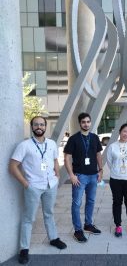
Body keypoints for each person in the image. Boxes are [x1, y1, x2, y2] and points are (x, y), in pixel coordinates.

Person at [9, 116, 67, 265]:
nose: (39, 127)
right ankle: (24, 248)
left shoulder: (52, 144)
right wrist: (25, 183)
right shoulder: (25, 145)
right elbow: (12, 166)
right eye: (36, 125)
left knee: (49, 213)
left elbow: (55, 160)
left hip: (50, 185)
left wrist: (57, 174)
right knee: (29, 218)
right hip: (33, 186)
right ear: (32, 127)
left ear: (45, 127)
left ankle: (53, 238)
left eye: (42, 124)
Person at [64, 112, 103, 243]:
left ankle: (88, 224)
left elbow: (98, 155)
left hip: (93, 175)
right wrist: (71, 175)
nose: (86, 124)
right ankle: (78, 230)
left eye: (88, 121)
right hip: (79, 176)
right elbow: (67, 157)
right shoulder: (73, 139)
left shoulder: (95, 137)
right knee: (77, 203)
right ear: (79, 123)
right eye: (83, 122)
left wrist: (101, 170)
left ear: (90, 123)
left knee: (91, 201)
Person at [107, 124, 127, 237]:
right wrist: (117, 170)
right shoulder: (112, 146)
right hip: (116, 179)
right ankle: (118, 225)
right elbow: (110, 162)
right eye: (125, 131)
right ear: (120, 132)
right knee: (117, 202)